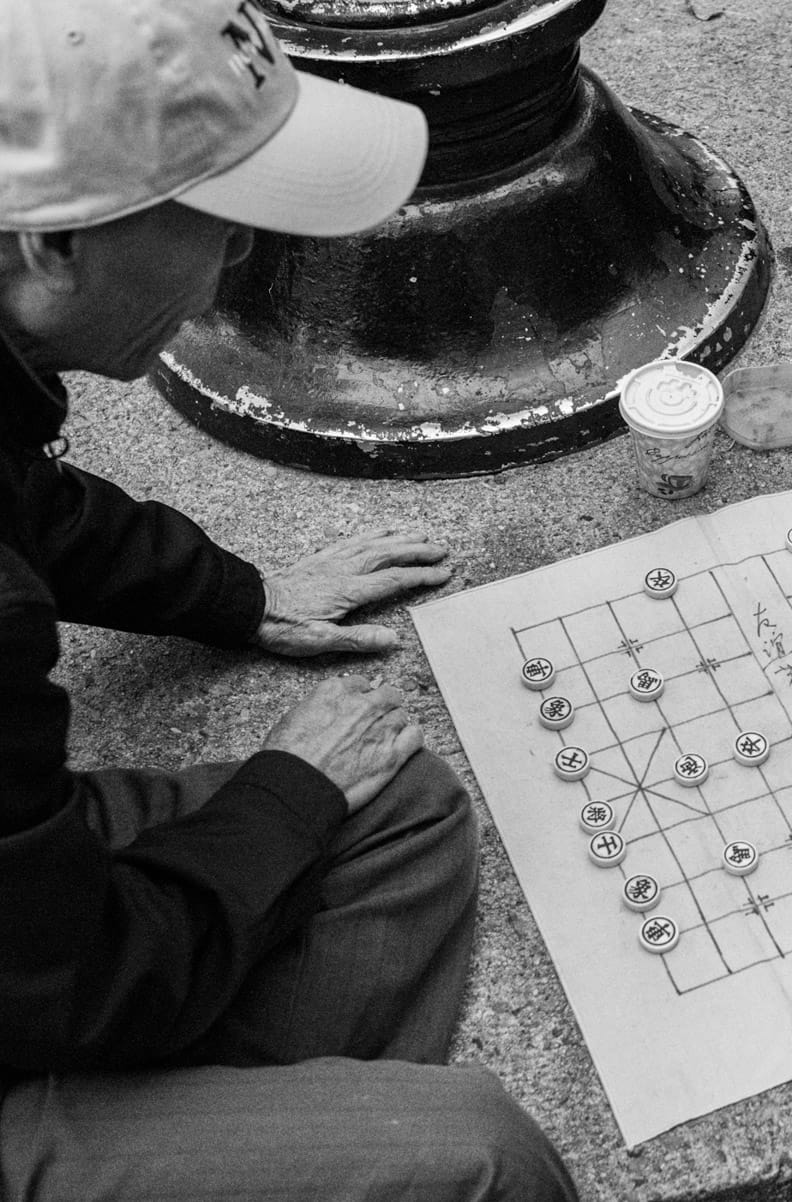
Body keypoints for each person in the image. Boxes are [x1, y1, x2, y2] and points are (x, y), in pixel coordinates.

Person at [0, 0, 579, 1196]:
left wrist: (237, 591)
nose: (249, 258)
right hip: (44, 991)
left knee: (397, 801)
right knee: (478, 1152)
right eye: (221, 218)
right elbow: (79, 982)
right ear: (54, 243)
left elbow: (26, 500)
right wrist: (279, 796)